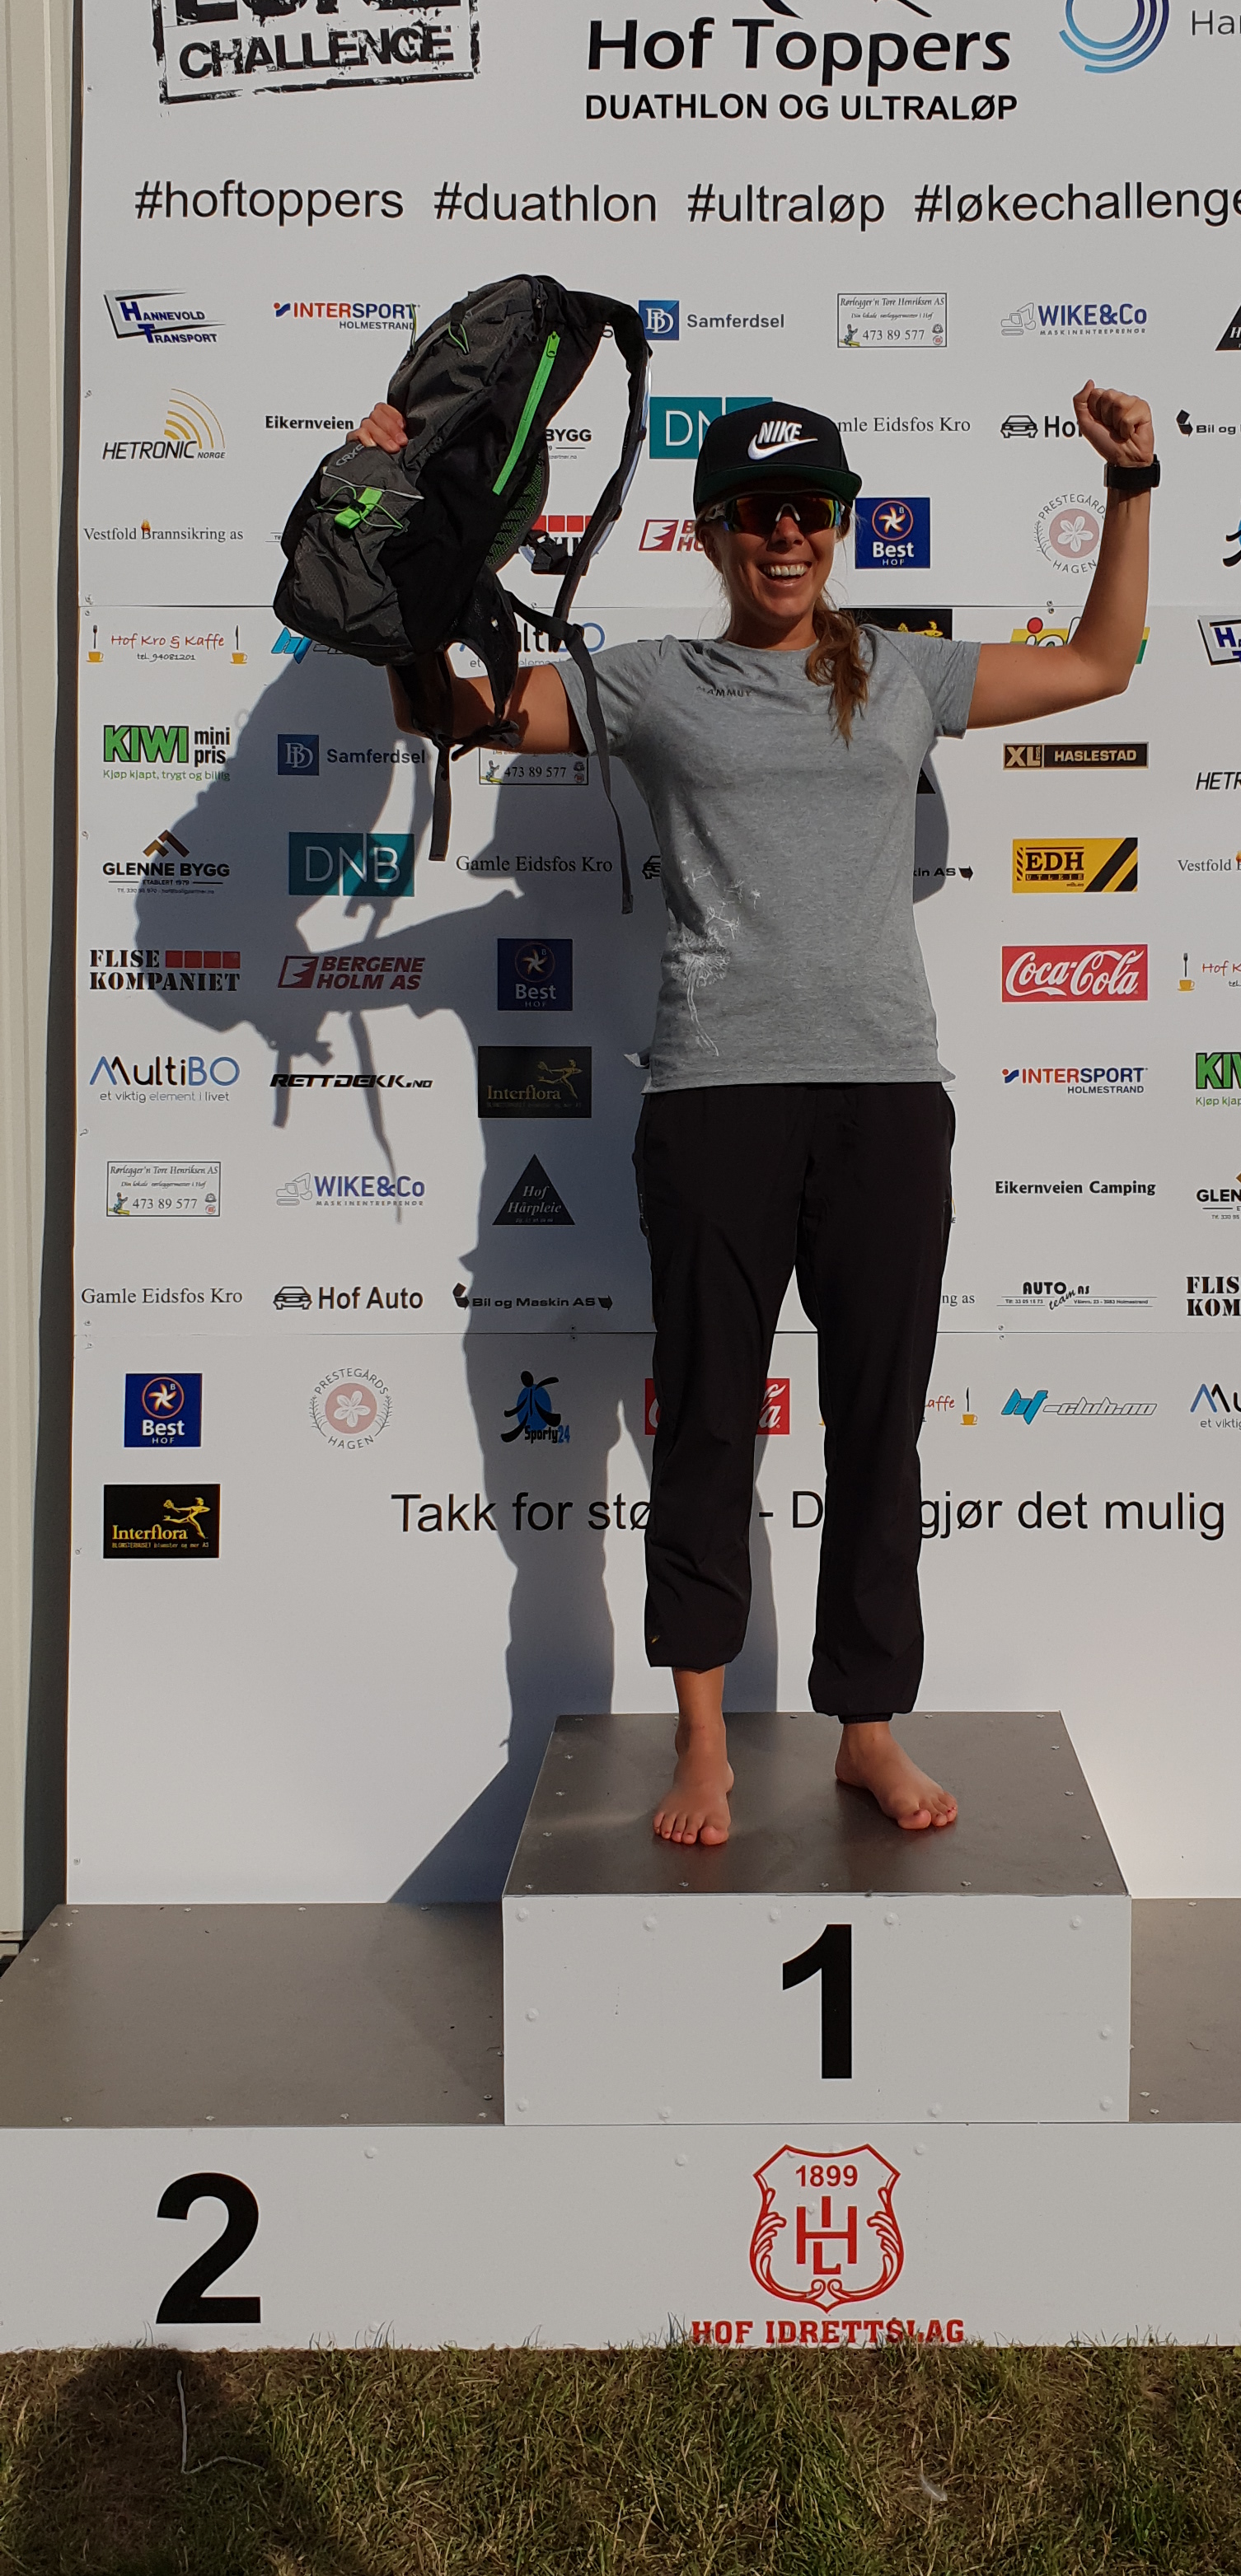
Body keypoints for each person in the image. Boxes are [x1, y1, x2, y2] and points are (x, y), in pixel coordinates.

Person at [350, 384, 1156, 1847]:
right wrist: (412, 553)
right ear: (712, 533)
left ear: (838, 528)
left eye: (811, 512)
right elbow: (444, 711)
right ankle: (704, 1741)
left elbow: (1103, 664)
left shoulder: (902, 672)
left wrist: (1133, 482)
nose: (788, 537)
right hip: (714, 1098)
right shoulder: (653, 682)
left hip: (885, 1100)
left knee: (879, 1429)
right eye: (759, 514)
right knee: (711, 1425)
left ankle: (868, 1729)